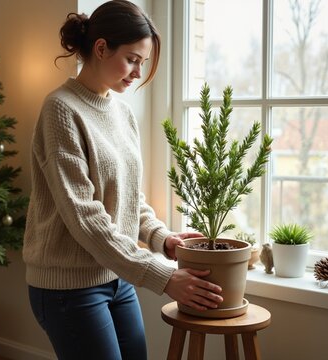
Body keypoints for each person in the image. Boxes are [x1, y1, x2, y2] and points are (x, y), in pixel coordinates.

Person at [22, 1, 223, 359]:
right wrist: (162, 276)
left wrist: (162, 239)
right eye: (132, 59)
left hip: (118, 278)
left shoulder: (122, 113)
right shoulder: (61, 110)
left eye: (142, 63)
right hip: (68, 288)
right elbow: (85, 217)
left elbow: (128, 197)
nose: (137, 72)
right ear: (101, 48)